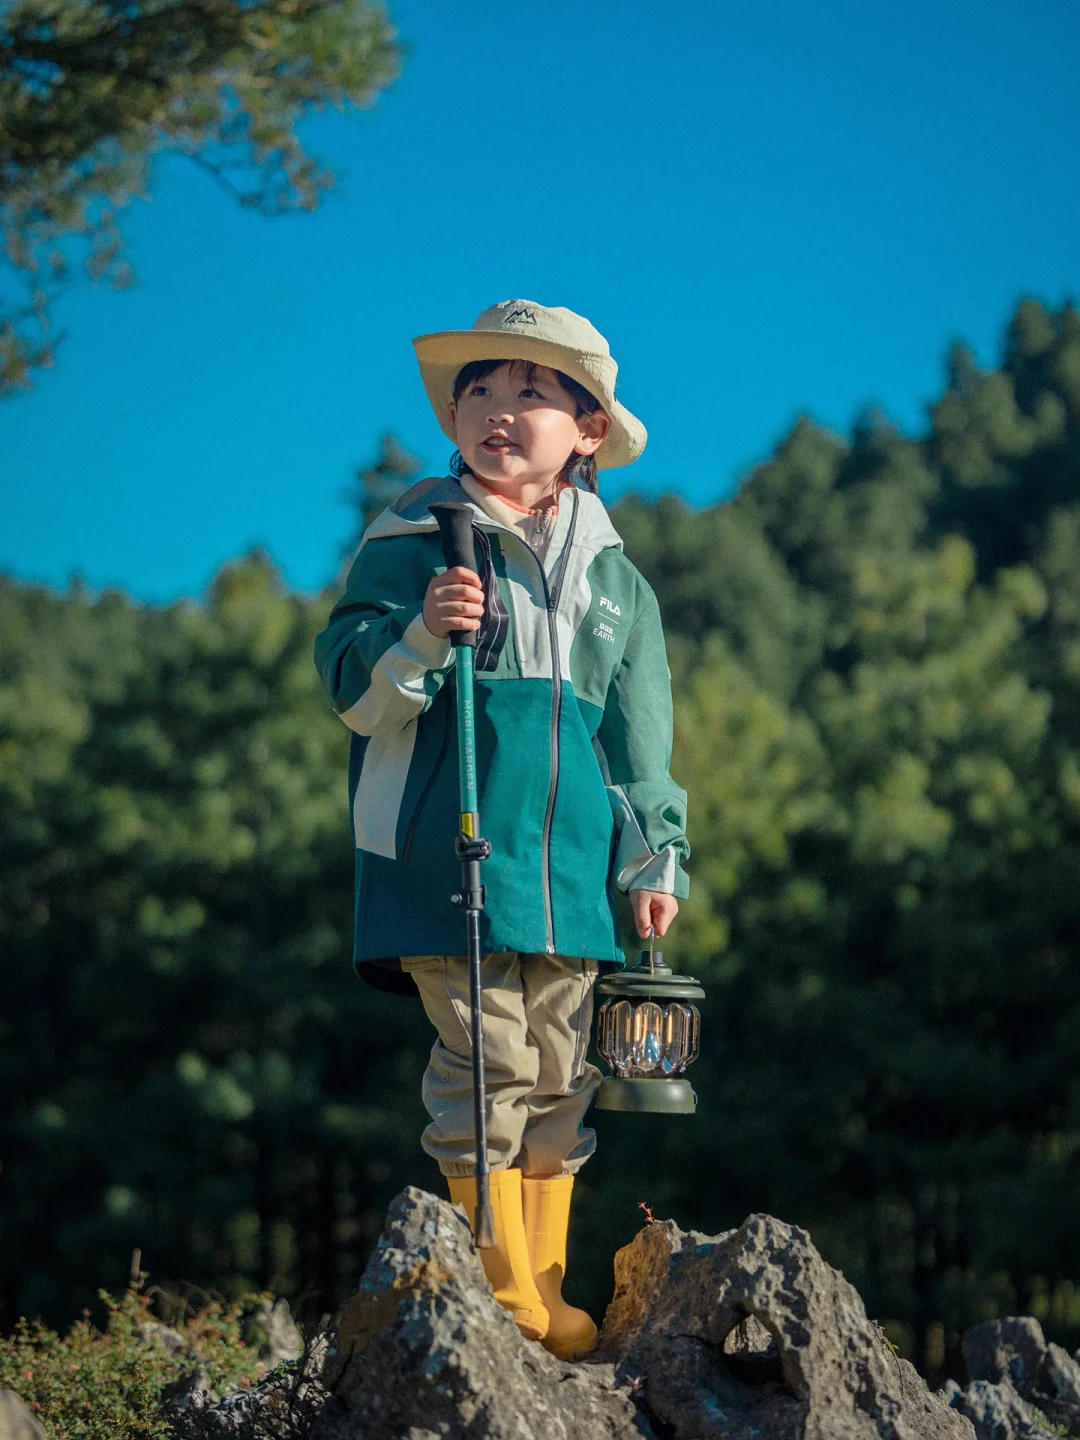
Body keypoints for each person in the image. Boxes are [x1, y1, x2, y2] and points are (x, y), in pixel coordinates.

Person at [314, 300, 690, 1359]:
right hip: (449, 846)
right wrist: (423, 631)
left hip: (573, 867)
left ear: (587, 431)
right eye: (479, 389)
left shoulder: (618, 581)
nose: (497, 409)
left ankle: (551, 1284)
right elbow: (349, 687)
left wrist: (657, 858)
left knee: (564, 1073)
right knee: (489, 1057)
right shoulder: (412, 536)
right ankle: (500, 1283)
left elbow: (641, 744)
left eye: (533, 393)